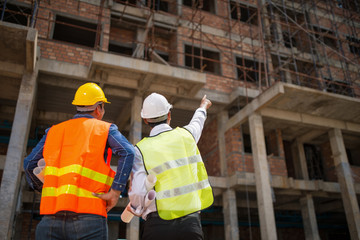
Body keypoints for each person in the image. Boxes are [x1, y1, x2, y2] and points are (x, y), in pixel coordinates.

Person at [23, 82, 135, 240]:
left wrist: (44, 188)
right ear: (98, 108)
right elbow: (128, 152)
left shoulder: (53, 131)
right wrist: (115, 192)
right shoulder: (105, 129)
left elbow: (29, 165)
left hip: (50, 220)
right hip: (90, 219)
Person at [128, 93, 214, 240]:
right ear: (169, 115)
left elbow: (138, 192)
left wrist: (137, 207)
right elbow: (197, 122)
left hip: (157, 227)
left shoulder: (140, 150)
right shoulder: (187, 135)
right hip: (190, 225)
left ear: (145, 120)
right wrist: (203, 106)